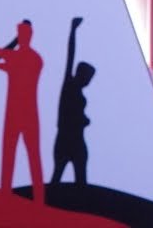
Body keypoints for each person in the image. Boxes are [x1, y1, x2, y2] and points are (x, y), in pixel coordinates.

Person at [0, 20, 44, 203]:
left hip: (28, 113)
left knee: (33, 156)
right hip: (13, 113)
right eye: (20, 34)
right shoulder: (19, 56)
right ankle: (5, 195)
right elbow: (6, 60)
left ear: (29, 36)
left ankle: (39, 198)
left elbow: (8, 61)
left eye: (24, 34)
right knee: (8, 154)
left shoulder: (34, 59)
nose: (22, 37)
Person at [49, 17, 93, 186]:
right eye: (88, 77)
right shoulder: (69, 84)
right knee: (57, 176)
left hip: (78, 140)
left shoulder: (79, 92)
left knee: (81, 179)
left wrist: (84, 119)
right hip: (65, 139)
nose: (88, 81)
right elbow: (70, 55)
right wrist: (73, 30)